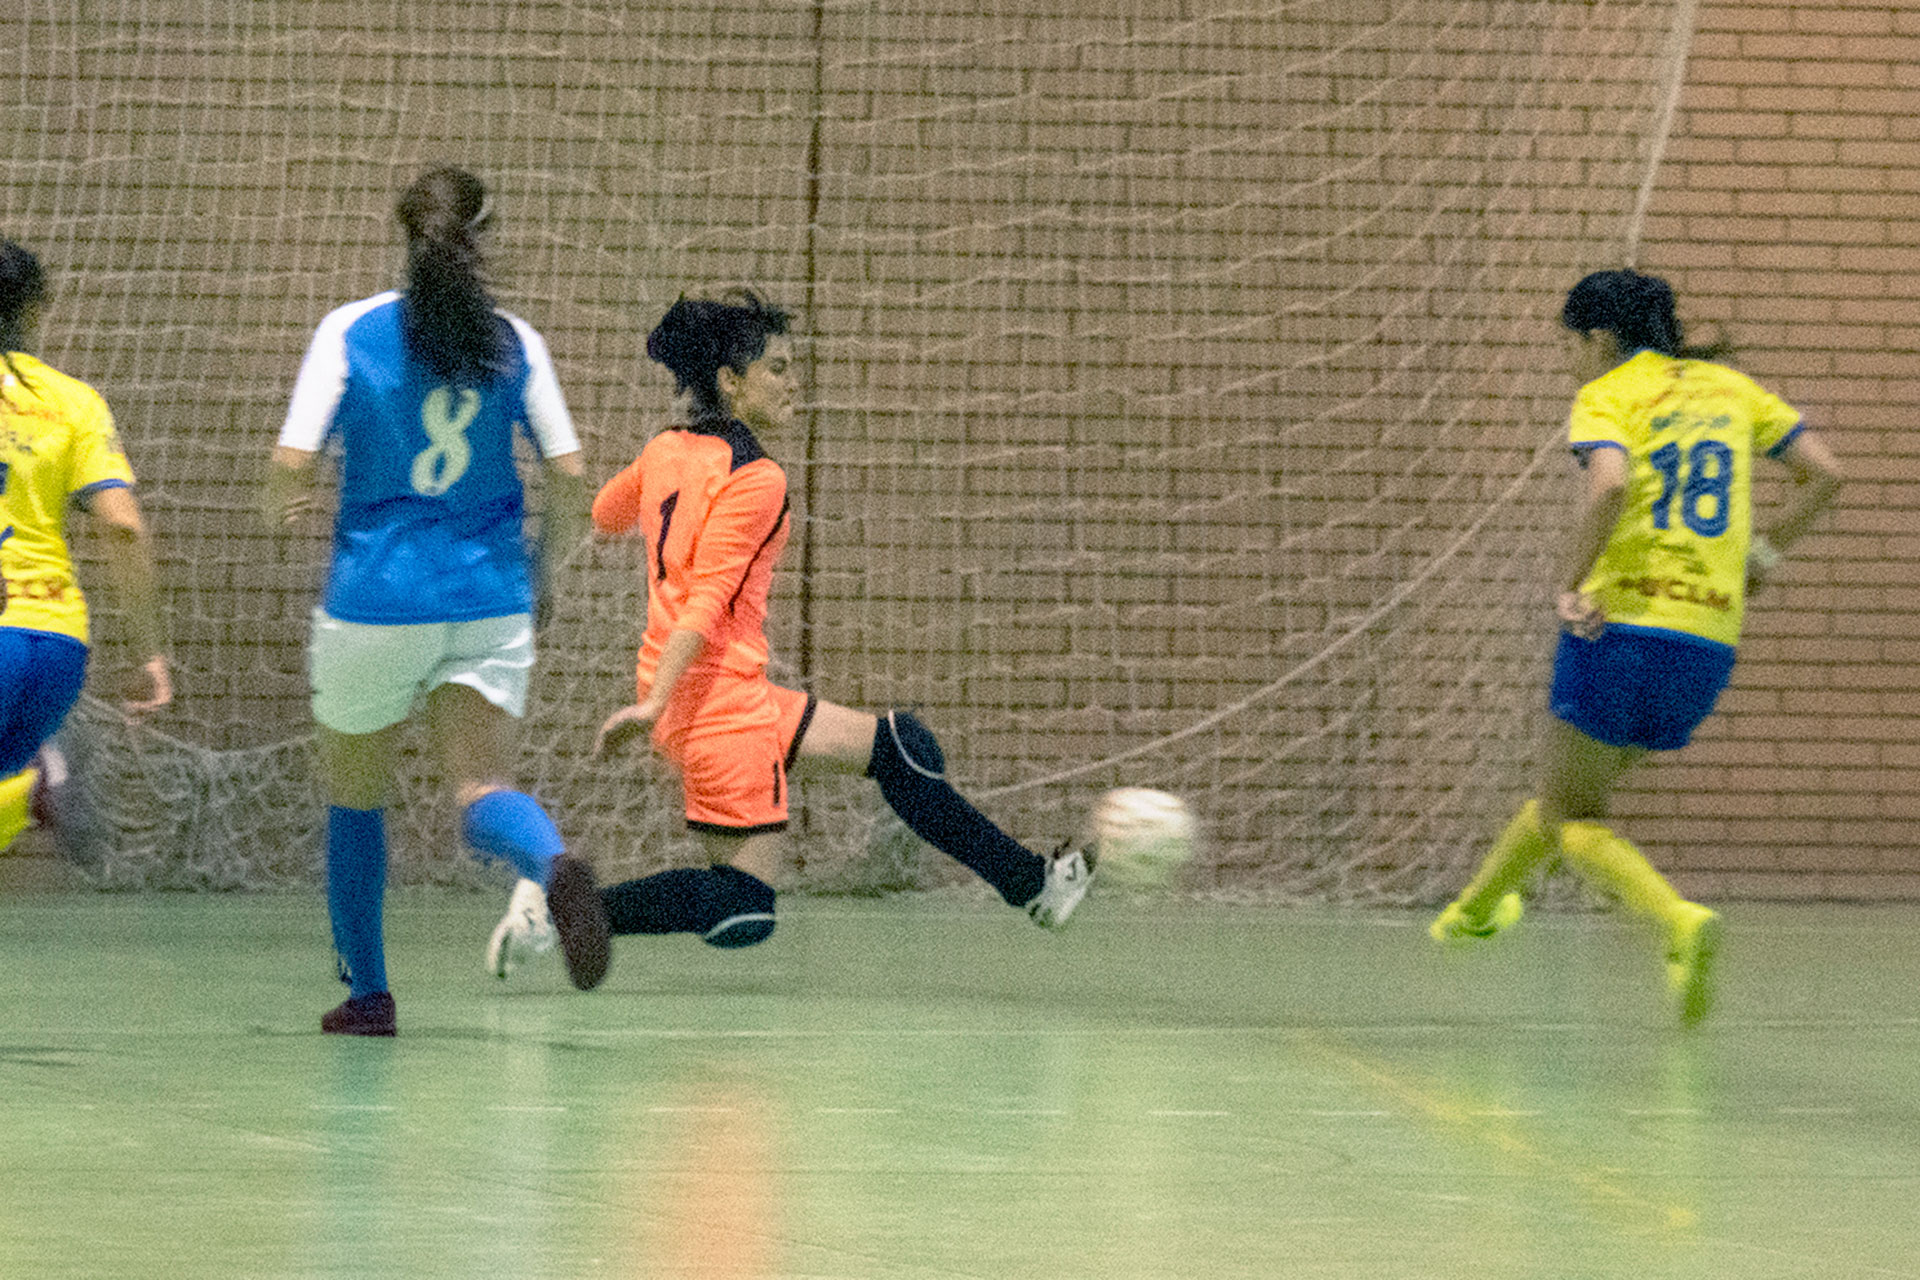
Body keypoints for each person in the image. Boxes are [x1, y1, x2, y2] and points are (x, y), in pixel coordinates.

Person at [484, 288, 1093, 977]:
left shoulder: (667, 449)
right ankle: (559, 912)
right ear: (730, 382)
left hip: (724, 691)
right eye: (777, 368)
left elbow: (603, 512)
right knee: (741, 908)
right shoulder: (757, 478)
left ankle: (1037, 886)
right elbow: (708, 600)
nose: (794, 381)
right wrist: (655, 699)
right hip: (712, 706)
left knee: (900, 749)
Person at [1429, 268, 1843, 1026]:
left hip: (1618, 624)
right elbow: (1825, 474)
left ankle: (1677, 922)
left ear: (1601, 339)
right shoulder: (1731, 389)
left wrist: (1570, 582)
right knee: (1564, 795)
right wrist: (1765, 558)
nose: (1570, 362)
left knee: (1573, 814)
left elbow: (1611, 487)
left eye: (1570, 346)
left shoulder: (1609, 394)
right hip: (1708, 640)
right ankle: (1475, 910)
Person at [267, 167, 610, 1036]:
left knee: (356, 798)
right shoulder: (513, 341)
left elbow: (290, 464)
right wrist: (544, 571)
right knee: (480, 787)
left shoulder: (350, 330)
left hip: (374, 600)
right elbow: (570, 480)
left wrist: (285, 510)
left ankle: (369, 994)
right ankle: (551, 858)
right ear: (483, 237)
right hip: (489, 596)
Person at [0, 239, 171, 861]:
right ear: (36, 309)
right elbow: (124, 529)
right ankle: (31, 787)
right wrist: (150, 649)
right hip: (57, 642)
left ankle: (36, 782)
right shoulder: (73, 403)